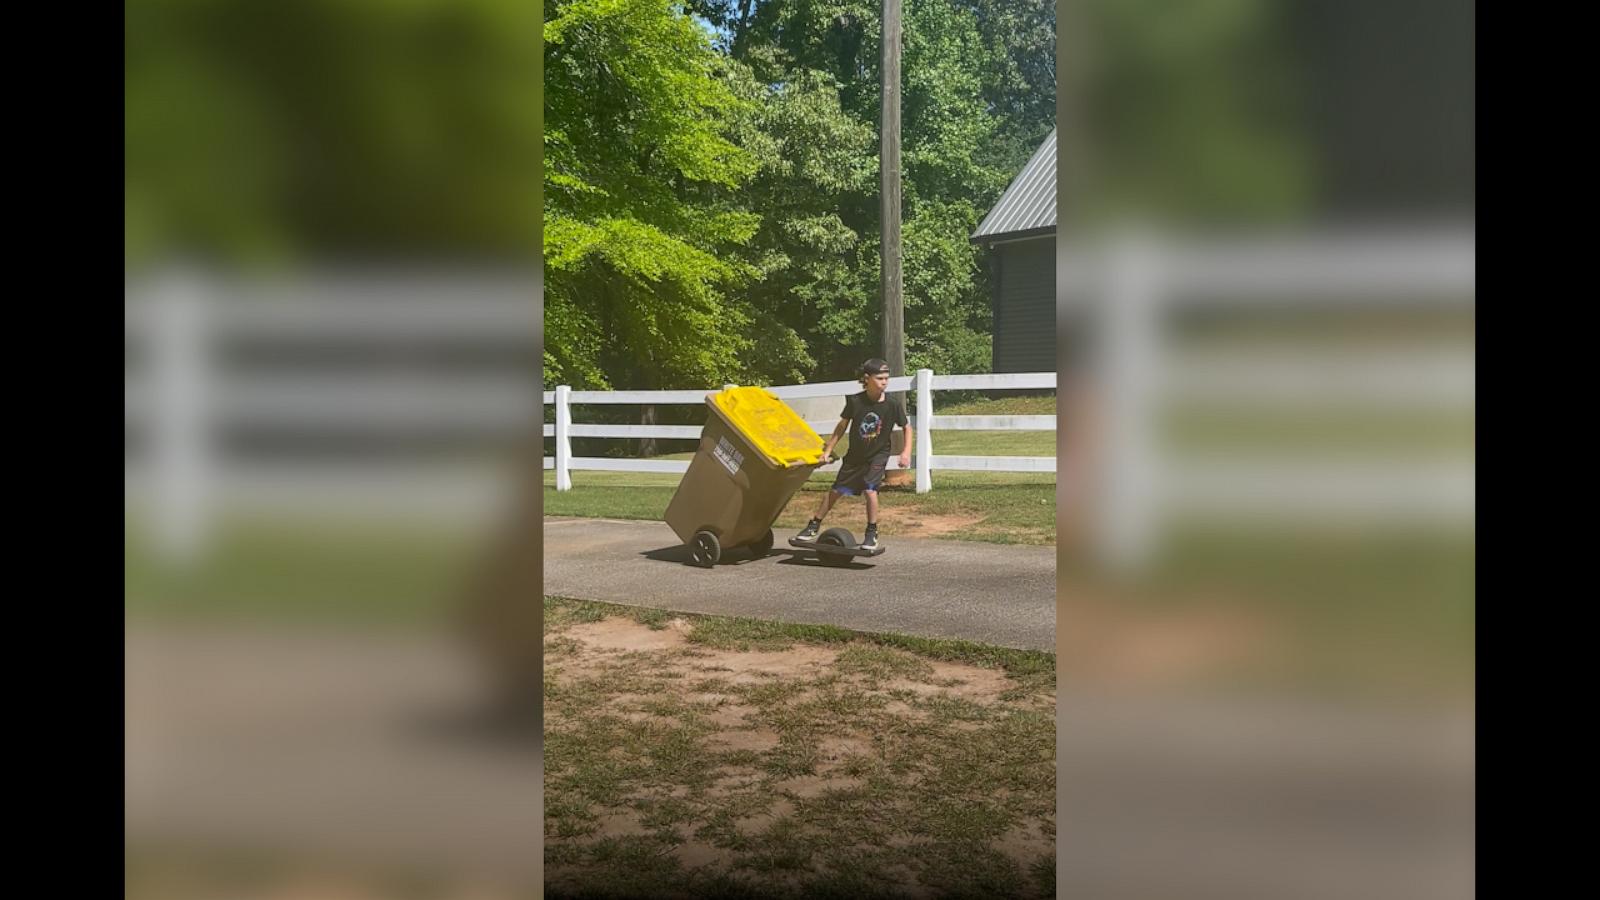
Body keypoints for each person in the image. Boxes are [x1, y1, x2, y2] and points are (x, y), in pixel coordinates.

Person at [793, 358, 911, 551]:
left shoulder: (892, 404)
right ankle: (813, 525)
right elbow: (841, 427)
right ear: (867, 378)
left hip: (878, 454)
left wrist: (905, 452)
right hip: (855, 455)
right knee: (837, 490)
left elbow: (907, 427)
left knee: (871, 489)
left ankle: (872, 532)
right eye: (880, 378)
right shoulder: (856, 401)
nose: (884, 382)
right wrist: (828, 450)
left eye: (887, 378)